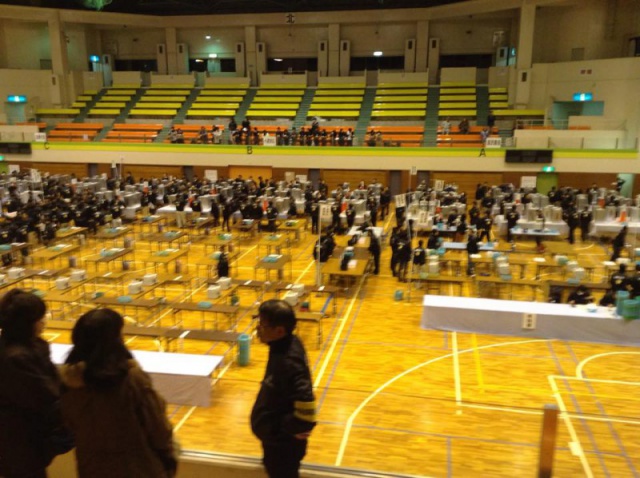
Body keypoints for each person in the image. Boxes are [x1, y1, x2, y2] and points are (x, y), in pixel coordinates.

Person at [60, 309, 177, 478]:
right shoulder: (132, 380)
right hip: (137, 468)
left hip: (91, 468)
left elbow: (69, 425)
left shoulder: (67, 381)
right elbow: (159, 430)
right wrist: (169, 459)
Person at [0, 289, 71, 478]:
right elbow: (44, 397)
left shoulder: (29, 347)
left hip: (27, 439)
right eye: (39, 319)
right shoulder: (16, 358)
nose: (43, 323)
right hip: (20, 441)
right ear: (26, 323)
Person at [251, 300, 316, 478]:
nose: (258, 328)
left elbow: (307, 413)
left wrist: (277, 431)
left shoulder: (289, 360)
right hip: (278, 447)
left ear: (279, 331)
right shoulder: (284, 345)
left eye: (263, 325)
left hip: (282, 450)